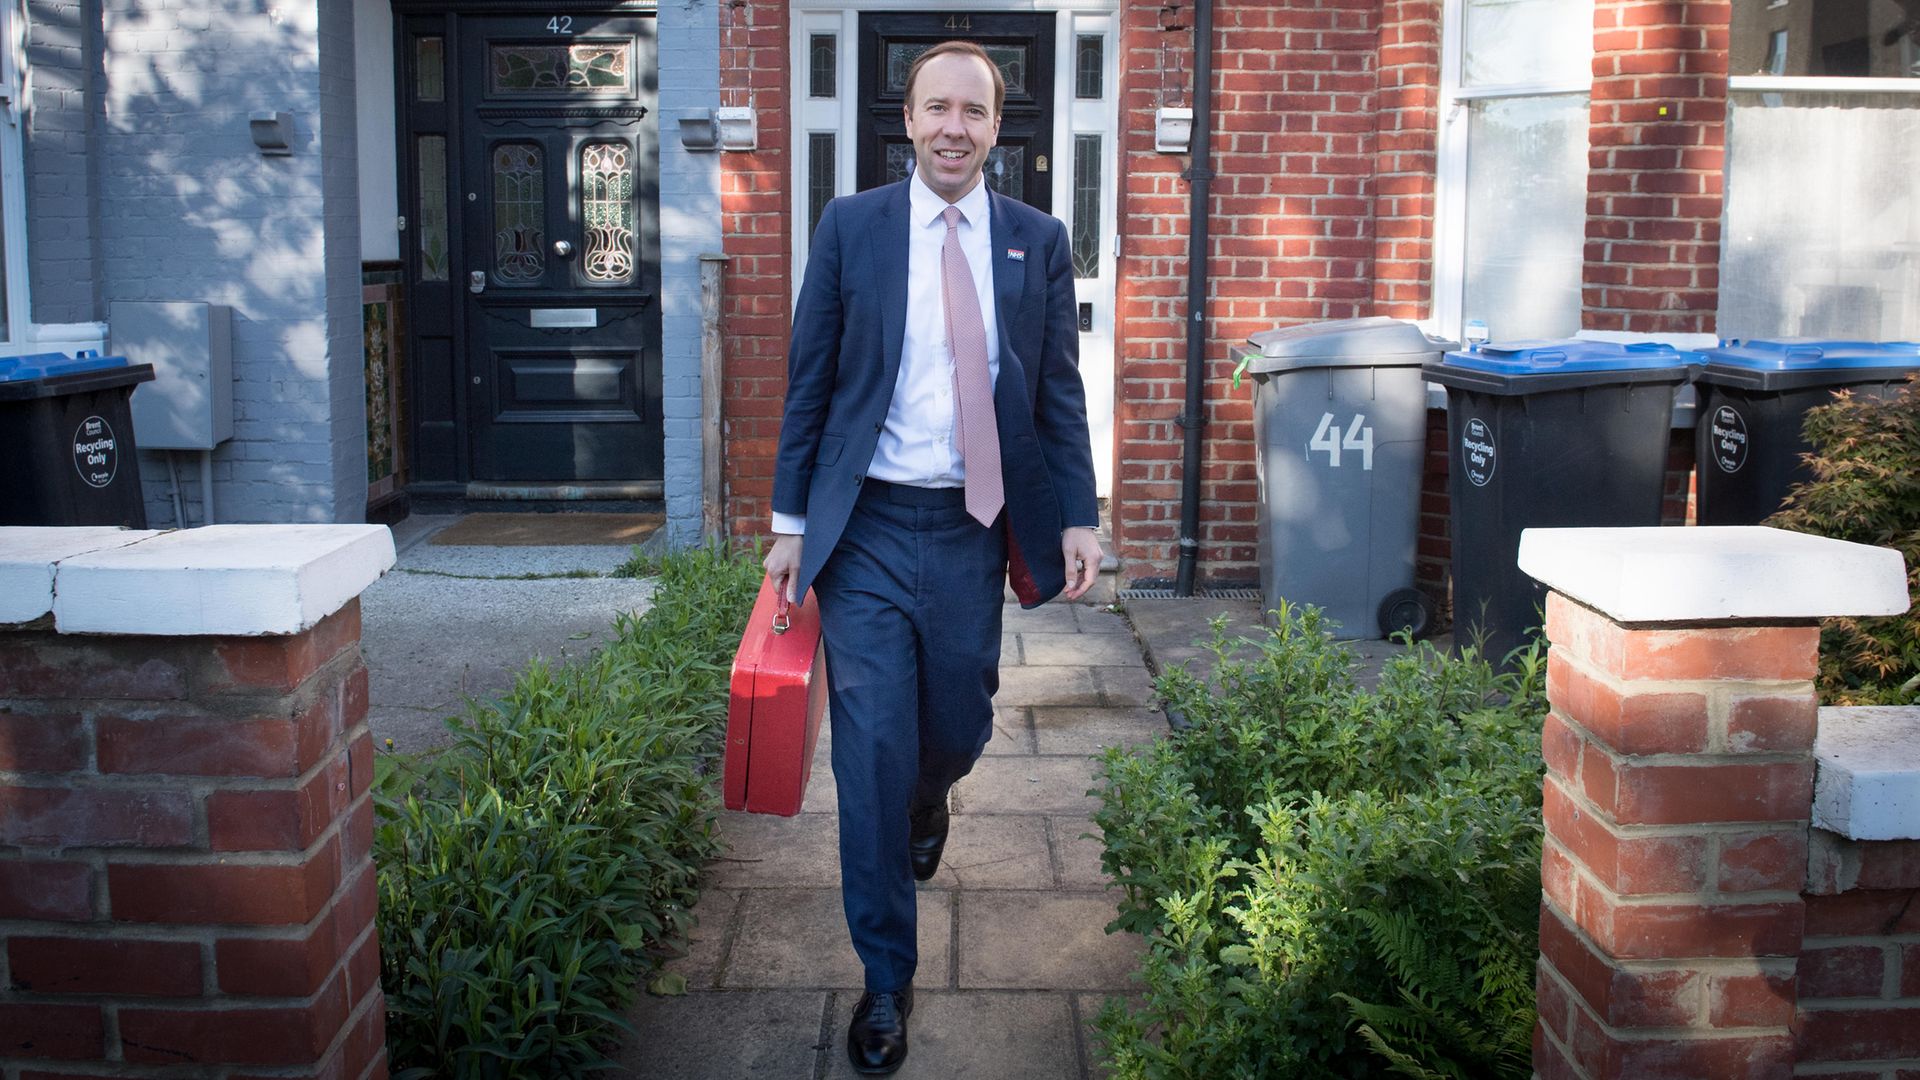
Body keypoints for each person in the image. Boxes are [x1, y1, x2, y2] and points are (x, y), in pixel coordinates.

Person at [761, 39, 1101, 1076]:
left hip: (970, 527)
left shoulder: (1034, 240)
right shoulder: (852, 228)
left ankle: (930, 797)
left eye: (976, 111)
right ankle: (885, 979)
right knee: (866, 757)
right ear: (906, 120)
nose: (954, 126)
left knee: (955, 722)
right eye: (935, 107)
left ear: (999, 128)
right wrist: (789, 523)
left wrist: (1078, 515)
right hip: (861, 530)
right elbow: (810, 378)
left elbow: (1055, 389)